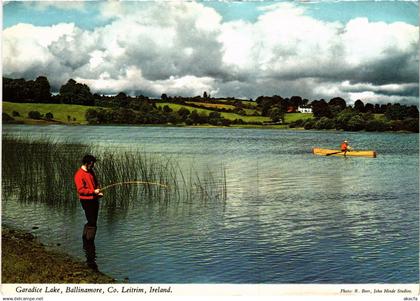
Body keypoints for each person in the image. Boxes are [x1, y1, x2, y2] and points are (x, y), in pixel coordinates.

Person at [74, 154, 103, 241]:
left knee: (92, 221)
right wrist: (93, 192)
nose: (93, 166)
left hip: (94, 199)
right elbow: (81, 190)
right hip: (86, 201)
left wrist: (98, 191)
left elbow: (95, 183)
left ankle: (85, 239)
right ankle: (89, 242)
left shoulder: (91, 171)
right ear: (87, 163)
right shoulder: (79, 174)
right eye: (92, 164)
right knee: (92, 222)